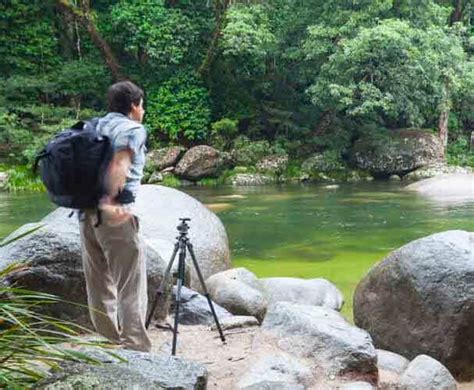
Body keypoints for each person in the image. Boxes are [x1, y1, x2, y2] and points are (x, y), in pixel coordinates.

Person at [79, 80, 151, 352]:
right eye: (142, 105)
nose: (143, 111)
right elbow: (121, 166)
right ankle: (135, 347)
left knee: (97, 284)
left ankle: (107, 343)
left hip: (85, 212)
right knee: (129, 284)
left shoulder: (92, 126)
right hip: (115, 214)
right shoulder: (133, 129)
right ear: (134, 105)